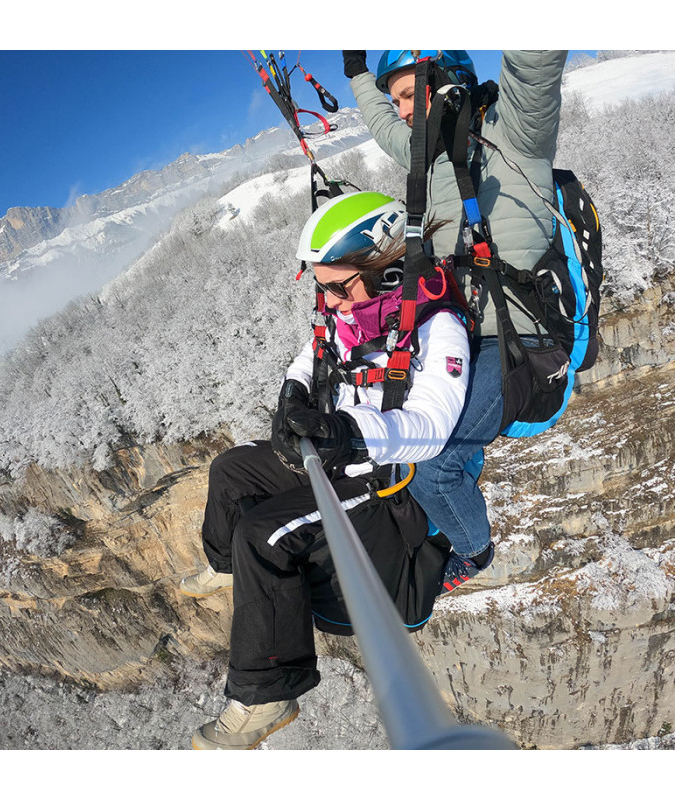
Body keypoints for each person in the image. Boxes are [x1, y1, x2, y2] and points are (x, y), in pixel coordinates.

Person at [180, 191, 470, 750]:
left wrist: (353, 431)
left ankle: (266, 695)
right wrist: (295, 389)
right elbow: (316, 353)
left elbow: (433, 425)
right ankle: (246, 580)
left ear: (386, 270)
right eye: (320, 287)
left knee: (261, 536)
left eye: (338, 287)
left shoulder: (438, 329)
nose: (329, 301)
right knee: (231, 472)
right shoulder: (355, 317)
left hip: (384, 479)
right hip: (336, 453)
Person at [342, 49, 568, 591]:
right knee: (385, 432)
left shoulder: (518, 136)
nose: (398, 112)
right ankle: (446, 495)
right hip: (455, 333)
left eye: (405, 95)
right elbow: (381, 124)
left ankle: (473, 550)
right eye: (394, 98)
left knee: (431, 464)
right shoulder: (432, 154)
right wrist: (355, 73)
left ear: (440, 79)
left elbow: (534, 63)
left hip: (516, 343)